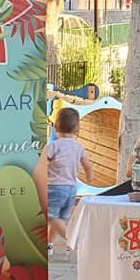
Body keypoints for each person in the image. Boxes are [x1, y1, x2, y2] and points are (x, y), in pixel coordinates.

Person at [40, 106, 93, 254]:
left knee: (51, 217)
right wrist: (90, 176)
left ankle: (74, 241)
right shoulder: (79, 147)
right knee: (58, 220)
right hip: (72, 189)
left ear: (55, 126)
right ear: (77, 129)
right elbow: (87, 165)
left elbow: (43, 163)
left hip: (55, 187)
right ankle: (49, 246)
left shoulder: (54, 146)